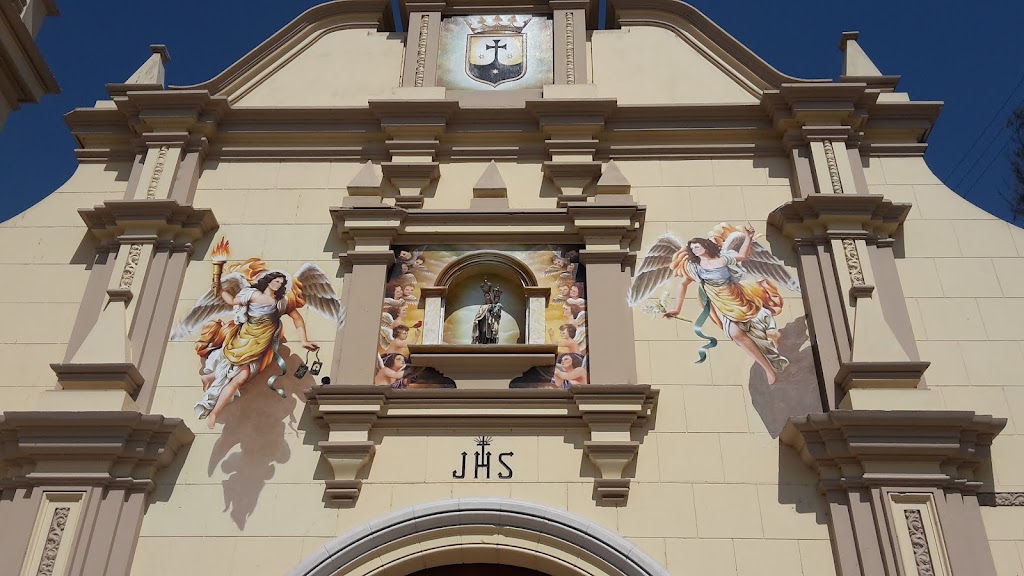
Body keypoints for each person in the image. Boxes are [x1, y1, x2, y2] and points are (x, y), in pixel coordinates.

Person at [663, 227, 786, 384]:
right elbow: (683, 284)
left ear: (705, 245)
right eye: (692, 248)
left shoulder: (722, 259)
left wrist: (748, 237)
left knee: (752, 327)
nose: (694, 250)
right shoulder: (695, 267)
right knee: (736, 334)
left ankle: (772, 335)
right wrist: (677, 308)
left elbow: (743, 255)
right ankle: (768, 370)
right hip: (721, 304)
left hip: (739, 298)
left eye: (697, 246)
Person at [196, 271, 318, 429]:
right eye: (276, 281)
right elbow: (232, 301)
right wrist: (220, 290)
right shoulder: (253, 295)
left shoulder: (281, 302)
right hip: (243, 341)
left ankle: (213, 405)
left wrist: (304, 340)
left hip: (259, 346)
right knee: (237, 375)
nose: (278, 284)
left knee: (239, 378)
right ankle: (213, 403)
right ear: (268, 281)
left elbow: (297, 319)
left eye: (281, 283)